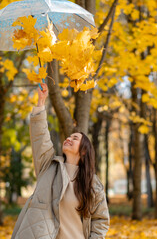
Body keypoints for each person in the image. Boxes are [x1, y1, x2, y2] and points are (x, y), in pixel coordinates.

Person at [11, 83, 110, 239]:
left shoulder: (93, 184)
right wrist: (41, 102)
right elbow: (40, 138)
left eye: (75, 138)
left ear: (84, 150)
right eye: (69, 137)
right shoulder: (49, 166)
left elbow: (100, 221)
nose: (69, 138)